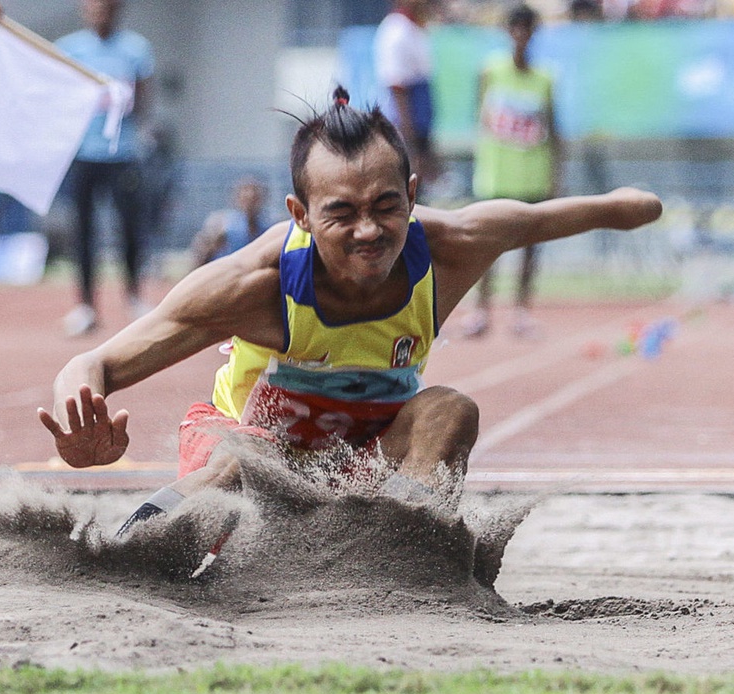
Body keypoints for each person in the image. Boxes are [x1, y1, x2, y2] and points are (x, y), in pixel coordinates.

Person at [37, 87, 661, 579]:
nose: (369, 231)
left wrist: (635, 205)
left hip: (359, 464)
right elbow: (93, 366)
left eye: (386, 206)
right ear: (300, 214)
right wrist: (77, 423)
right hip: (239, 453)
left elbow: (550, 217)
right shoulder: (253, 284)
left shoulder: (451, 249)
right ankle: (127, 558)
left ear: (413, 196)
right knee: (244, 459)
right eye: (341, 213)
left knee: (449, 410)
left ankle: (393, 561)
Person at [459, 5, 561, 340]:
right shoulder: (490, 71)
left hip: (531, 174)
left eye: (526, 28)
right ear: (507, 31)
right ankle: (481, 311)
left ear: (533, 33)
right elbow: (480, 118)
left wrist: (555, 175)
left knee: (530, 247)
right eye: (515, 27)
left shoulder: (544, 78)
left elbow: (554, 128)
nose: (520, 34)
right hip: (495, 176)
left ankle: (520, 310)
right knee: (486, 246)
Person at [55, 0, 156, 337]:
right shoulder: (70, 49)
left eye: (107, 7)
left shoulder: (136, 49)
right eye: (94, 7)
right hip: (83, 153)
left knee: (129, 228)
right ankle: (85, 306)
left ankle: (133, 297)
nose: (100, 13)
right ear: (85, 9)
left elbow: (143, 97)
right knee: (83, 232)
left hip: (122, 153)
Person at [373, 0, 440, 193]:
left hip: (419, 127)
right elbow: (397, 87)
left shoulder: (415, 28)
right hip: (405, 128)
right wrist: (410, 143)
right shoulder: (396, 30)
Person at [190, 177, 268, 267]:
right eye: (245, 198)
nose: (250, 201)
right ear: (236, 198)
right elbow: (201, 255)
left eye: (255, 198)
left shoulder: (266, 229)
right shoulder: (221, 223)